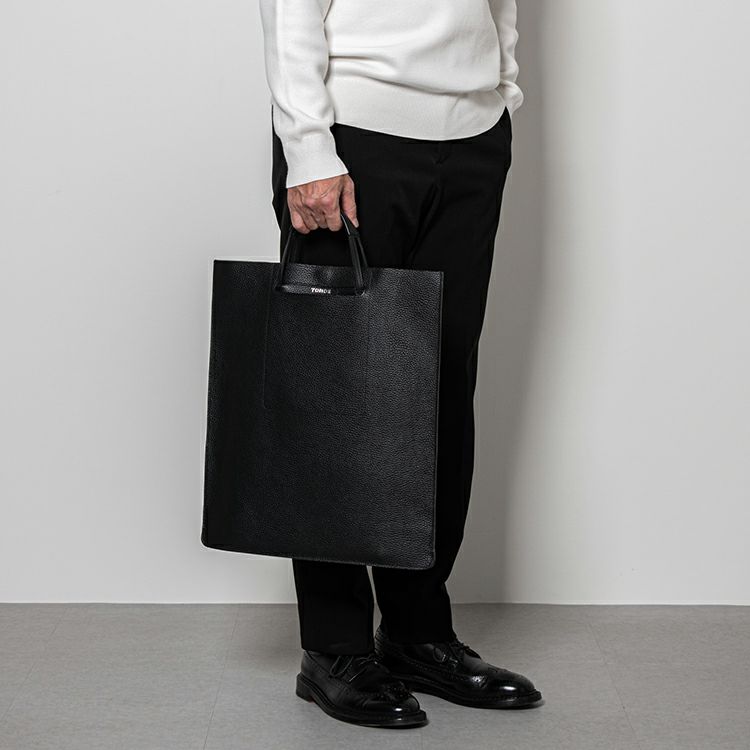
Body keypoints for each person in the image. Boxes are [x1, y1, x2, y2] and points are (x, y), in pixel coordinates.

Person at [259, 0, 543, 727]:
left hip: (474, 134)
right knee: (334, 392)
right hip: (353, 135)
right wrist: (308, 146)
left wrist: (500, 82)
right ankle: (333, 648)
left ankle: (418, 632)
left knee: (441, 389)